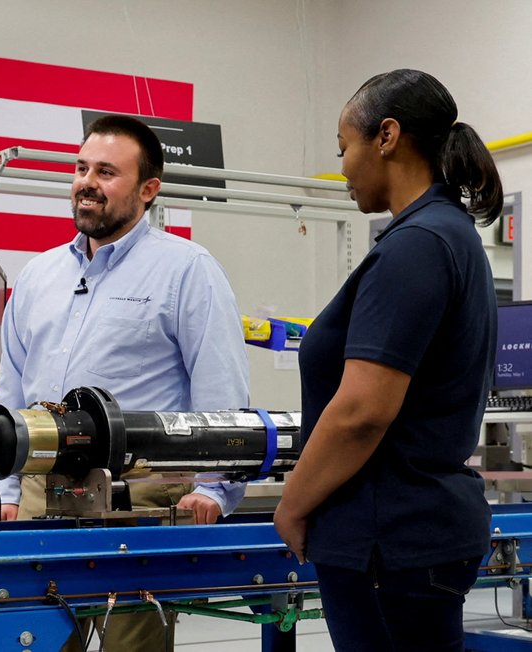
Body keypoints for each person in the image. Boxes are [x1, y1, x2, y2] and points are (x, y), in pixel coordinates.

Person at [0, 114, 250, 650]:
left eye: (107, 172)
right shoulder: (39, 276)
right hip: (42, 488)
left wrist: (214, 489)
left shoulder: (187, 271)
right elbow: (11, 393)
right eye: (81, 168)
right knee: (31, 640)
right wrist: (6, 489)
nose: (87, 181)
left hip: (140, 496)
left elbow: (220, 392)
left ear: (148, 190)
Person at [273, 69, 501, 652]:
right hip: (409, 536)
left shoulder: (417, 247)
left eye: (344, 146)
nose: (342, 166)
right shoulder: (448, 236)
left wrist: (293, 503)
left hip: (388, 540)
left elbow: (361, 412)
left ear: (387, 137)